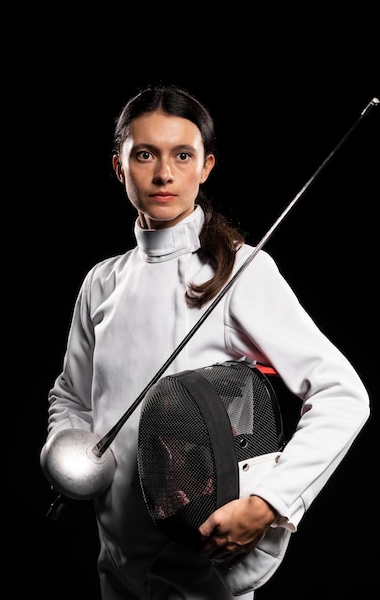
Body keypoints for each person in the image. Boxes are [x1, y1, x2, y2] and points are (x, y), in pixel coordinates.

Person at [41, 84, 370, 599]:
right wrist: (65, 449)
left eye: (182, 155)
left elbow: (342, 394)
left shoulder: (240, 271)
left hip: (201, 575)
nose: (164, 174)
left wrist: (267, 502)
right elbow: (71, 396)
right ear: (119, 166)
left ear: (206, 167)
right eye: (145, 154)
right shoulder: (101, 282)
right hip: (116, 568)